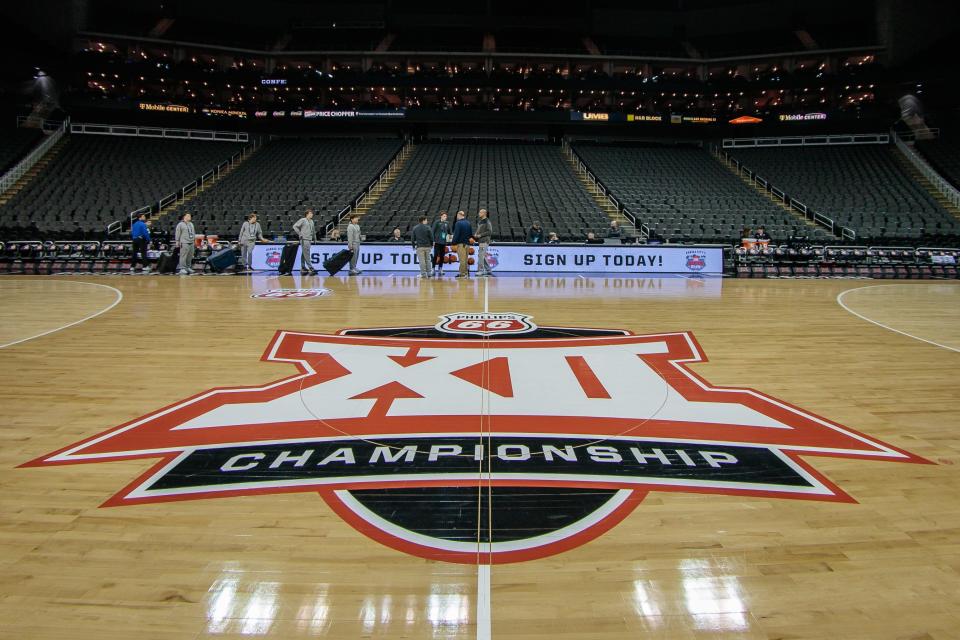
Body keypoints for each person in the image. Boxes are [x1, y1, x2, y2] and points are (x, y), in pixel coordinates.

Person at [292, 209, 318, 275]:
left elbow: (314, 231)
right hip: (304, 239)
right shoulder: (303, 220)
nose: (312, 214)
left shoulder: (312, 221)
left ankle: (303, 267)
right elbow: (295, 226)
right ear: (307, 214)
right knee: (307, 253)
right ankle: (310, 267)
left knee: (304, 253)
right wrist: (300, 234)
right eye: (310, 213)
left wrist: (315, 239)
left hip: (309, 239)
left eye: (312, 213)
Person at [451, 210, 473, 279]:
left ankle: (462, 274)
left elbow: (456, 234)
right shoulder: (468, 223)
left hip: (461, 244)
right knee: (465, 260)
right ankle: (465, 273)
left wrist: (453, 242)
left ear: (459, 215)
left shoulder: (458, 223)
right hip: (467, 244)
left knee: (462, 260)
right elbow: (470, 235)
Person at [475, 208, 493, 277]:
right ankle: (488, 270)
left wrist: (480, 235)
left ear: (484, 214)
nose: (479, 213)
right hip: (481, 241)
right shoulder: (481, 221)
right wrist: (475, 235)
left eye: (480, 212)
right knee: (482, 256)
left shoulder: (487, 221)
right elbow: (479, 231)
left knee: (481, 255)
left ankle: (480, 270)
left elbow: (489, 232)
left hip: (484, 241)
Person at [431, 211, 451, 276]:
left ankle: (440, 268)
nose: (445, 217)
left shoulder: (447, 223)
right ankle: (433, 268)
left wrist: (451, 237)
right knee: (435, 255)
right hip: (437, 242)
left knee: (442, 256)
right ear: (441, 216)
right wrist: (433, 241)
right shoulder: (437, 222)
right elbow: (432, 231)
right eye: (444, 216)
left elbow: (450, 232)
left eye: (446, 216)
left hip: (443, 242)